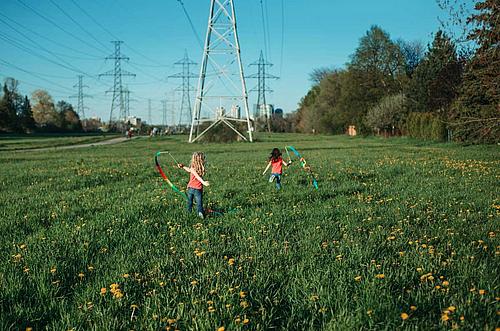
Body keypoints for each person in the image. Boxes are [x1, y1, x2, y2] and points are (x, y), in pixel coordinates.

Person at [178, 152, 210, 218]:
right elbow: (197, 176)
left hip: (191, 189)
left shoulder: (196, 168)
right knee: (199, 203)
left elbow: (192, 172)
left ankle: (189, 213)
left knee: (190, 202)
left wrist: (183, 166)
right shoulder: (199, 169)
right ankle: (200, 214)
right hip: (197, 189)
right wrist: (203, 182)